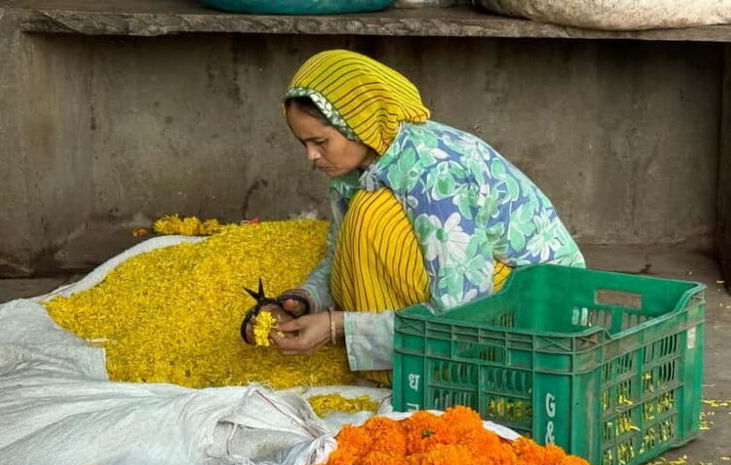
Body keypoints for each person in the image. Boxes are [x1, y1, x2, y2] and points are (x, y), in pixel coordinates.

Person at [245, 49, 584, 385]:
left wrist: (340, 327)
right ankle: (401, 363)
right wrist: (306, 300)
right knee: (366, 214)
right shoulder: (357, 171)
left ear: (358, 125)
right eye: (303, 143)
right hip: (483, 304)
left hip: (536, 312)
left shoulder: (434, 174)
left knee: (372, 214)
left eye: (320, 141)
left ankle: (427, 375)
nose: (311, 156)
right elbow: (341, 253)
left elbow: (464, 314)